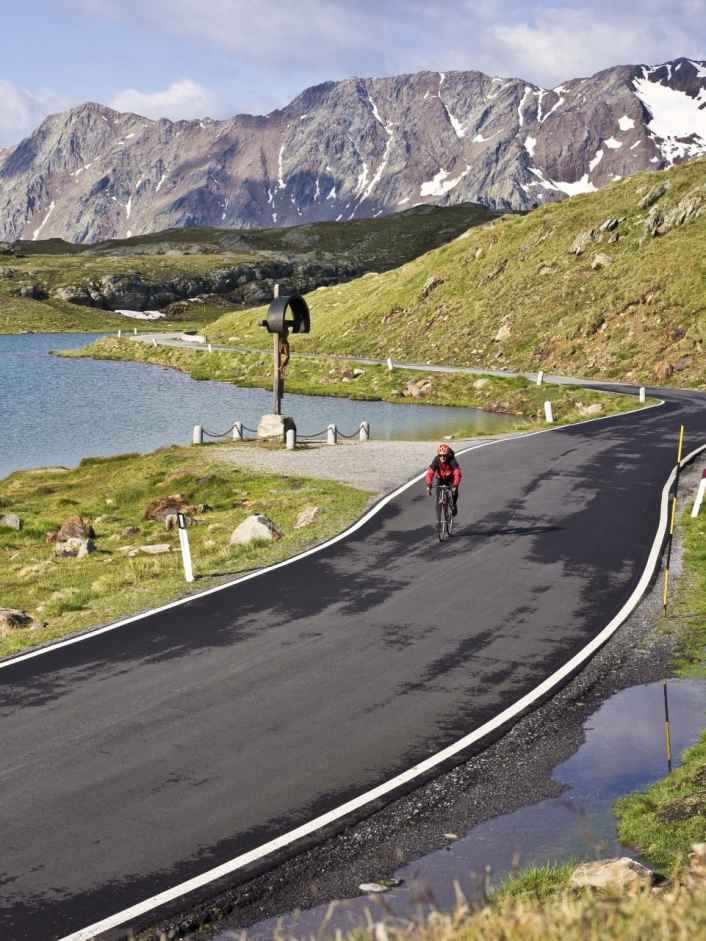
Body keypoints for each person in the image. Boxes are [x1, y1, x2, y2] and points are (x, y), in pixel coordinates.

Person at [425, 443, 462, 516]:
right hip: (440, 478)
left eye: (444, 455)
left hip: (451, 478)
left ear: (447, 455)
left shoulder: (452, 460)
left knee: (455, 492)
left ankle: (454, 504)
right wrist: (429, 485)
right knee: (438, 497)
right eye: (440, 455)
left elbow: (457, 473)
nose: (442, 457)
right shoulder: (436, 460)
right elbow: (430, 473)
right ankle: (441, 516)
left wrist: (455, 485)